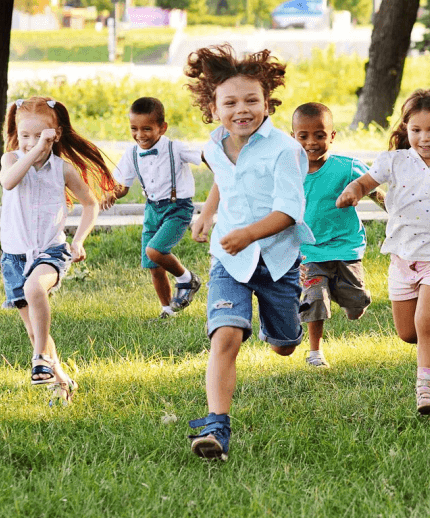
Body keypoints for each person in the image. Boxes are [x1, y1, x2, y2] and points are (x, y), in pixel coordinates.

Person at [185, 44, 311, 461]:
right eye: (231, 102)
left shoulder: (285, 150)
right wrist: (207, 213)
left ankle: (280, 327)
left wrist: (247, 234)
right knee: (225, 337)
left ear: (267, 102)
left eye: (252, 100)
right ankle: (216, 425)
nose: (242, 109)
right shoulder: (215, 144)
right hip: (229, 260)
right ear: (213, 106)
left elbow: (290, 212)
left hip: (276, 259)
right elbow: (226, 178)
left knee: (286, 345)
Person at [337, 88, 430, 415]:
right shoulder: (394, 161)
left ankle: (427, 390)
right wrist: (352, 191)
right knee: (408, 333)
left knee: (425, 318)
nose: (424, 137)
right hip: (403, 259)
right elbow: (365, 183)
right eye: (416, 130)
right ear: (406, 129)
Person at [0, 97, 115, 405]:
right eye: (24, 135)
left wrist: (78, 241)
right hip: (14, 256)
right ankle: (61, 381)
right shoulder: (11, 160)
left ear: (56, 135)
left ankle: (39, 357)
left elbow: (90, 204)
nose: (30, 142)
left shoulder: (62, 169)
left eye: (39, 136)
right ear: (17, 134)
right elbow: (9, 182)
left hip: (50, 251)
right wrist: (35, 149)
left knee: (35, 287)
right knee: (32, 329)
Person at [291, 102, 375, 368]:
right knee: (314, 297)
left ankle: (353, 298)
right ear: (292, 136)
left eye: (319, 135)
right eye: (302, 136)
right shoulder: (288, 173)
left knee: (355, 306)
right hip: (310, 251)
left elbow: (374, 189)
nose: (311, 142)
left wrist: (394, 210)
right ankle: (315, 352)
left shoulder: (347, 168)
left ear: (332, 136)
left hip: (345, 247)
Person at [105, 97, 202, 319]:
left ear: (162, 127)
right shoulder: (131, 153)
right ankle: (168, 309)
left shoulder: (174, 148)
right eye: (134, 128)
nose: (140, 135)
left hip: (177, 208)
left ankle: (187, 279)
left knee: (155, 250)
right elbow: (122, 186)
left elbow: (202, 157)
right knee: (153, 265)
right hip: (152, 210)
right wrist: (111, 194)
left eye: (147, 128)